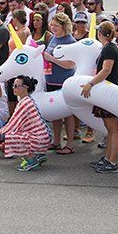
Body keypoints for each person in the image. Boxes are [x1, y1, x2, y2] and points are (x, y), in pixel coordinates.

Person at [82, 21, 118, 173]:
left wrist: (90, 84)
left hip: (109, 92)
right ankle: (108, 158)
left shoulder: (110, 48)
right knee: (109, 128)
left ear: (100, 34)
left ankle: (112, 161)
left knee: (113, 128)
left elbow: (106, 70)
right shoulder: (108, 47)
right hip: (106, 92)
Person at [0, 75, 51, 171]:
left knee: (10, 137)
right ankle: (37, 155)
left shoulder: (24, 103)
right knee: (15, 133)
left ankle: (31, 160)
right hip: (42, 137)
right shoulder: (27, 100)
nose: (14, 88)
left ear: (25, 88)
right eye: (13, 86)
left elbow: (13, 123)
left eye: (16, 86)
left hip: (39, 138)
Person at [43, 13, 78, 153]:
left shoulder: (70, 41)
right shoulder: (53, 38)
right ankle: (56, 141)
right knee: (55, 112)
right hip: (51, 79)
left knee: (67, 113)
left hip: (64, 81)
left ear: (64, 26)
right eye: (52, 25)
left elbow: (71, 64)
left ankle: (69, 144)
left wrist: (52, 60)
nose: (53, 28)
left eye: (56, 26)